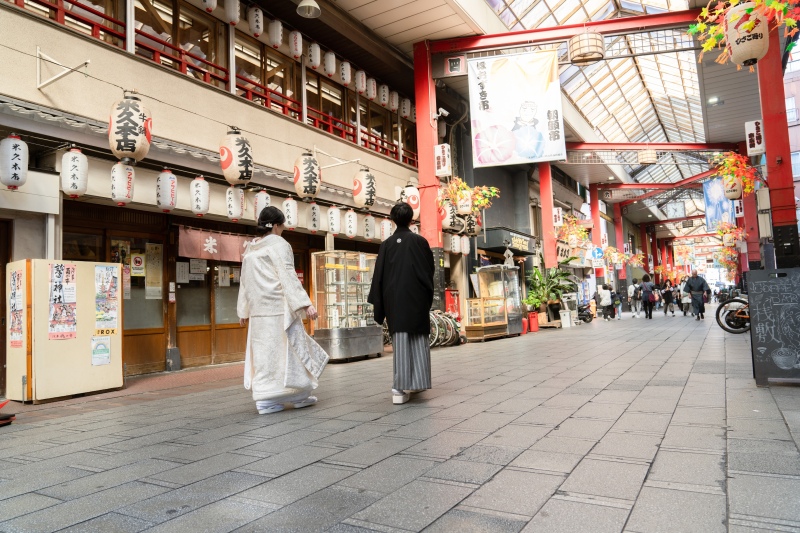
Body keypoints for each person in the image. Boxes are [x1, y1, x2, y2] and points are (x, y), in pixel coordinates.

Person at [237, 206, 330, 415]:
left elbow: (245, 281)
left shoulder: (251, 249)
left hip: (259, 313)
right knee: (290, 352)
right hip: (280, 309)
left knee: (265, 355)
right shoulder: (280, 245)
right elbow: (288, 275)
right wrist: (305, 304)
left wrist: (243, 310)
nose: (283, 229)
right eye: (282, 225)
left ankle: (265, 398)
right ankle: (298, 394)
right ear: (277, 225)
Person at [368, 203, 435, 405]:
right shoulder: (420, 242)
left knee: (401, 340)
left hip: (394, 300)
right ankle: (417, 382)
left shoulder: (386, 244)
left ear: (392, 219)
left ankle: (399, 388)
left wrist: (379, 302)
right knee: (418, 337)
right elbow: (429, 271)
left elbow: (378, 276)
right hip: (417, 297)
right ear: (411, 219)